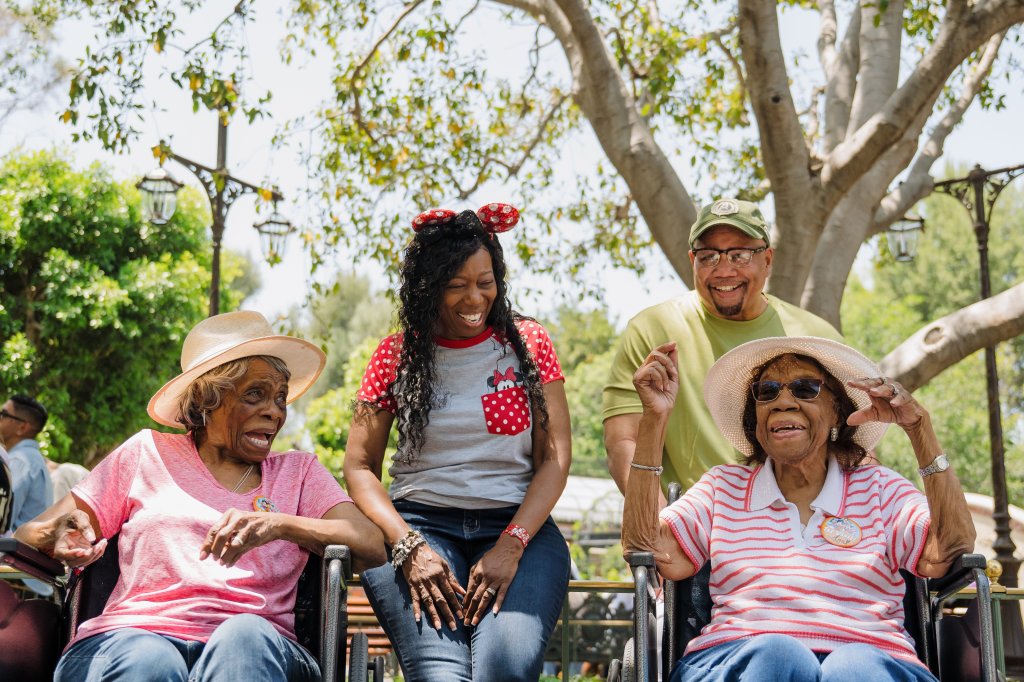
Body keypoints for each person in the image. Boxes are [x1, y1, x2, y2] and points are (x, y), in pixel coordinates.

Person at [14, 310, 386, 682]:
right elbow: (33, 532)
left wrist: (279, 525)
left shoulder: (298, 472)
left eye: (280, 399)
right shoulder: (145, 452)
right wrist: (59, 533)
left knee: (244, 638)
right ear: (207, 400)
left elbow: (371, 544)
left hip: (258, 650)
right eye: (256, 395)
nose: (274, 412)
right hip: (133, 634)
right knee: (149, 659)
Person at [621, 336, 976, 682]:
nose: (783, 401)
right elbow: (645, 547)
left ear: (837, 411)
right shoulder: (723, 487)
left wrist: (919, 429)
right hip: (737, 658)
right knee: (779, 655)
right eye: (767, 391)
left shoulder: (879, 488)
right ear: (755, 419)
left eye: (805, 389)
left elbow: (949, 550)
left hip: (873, 657)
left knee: (854, 668)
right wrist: (654, 420)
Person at [344, 204, 572, 682]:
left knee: (503, 671)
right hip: (422, 529)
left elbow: (554, 458)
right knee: (442, 678)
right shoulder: (396, 354)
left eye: (485, 281)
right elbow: (360, 467)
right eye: (457, 285)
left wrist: (511, 545)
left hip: (518, 527)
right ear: (429, 286)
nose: (475, 297)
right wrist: (408, 546)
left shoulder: (527, 343)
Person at [603, 198, 843, 498]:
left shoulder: (814, 336)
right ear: (693, 260)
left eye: (740, 255)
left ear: (767, 260)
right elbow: (623, 442)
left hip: (802, 526)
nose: (724, 269)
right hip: (690, 526)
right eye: (709, 256)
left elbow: (854, 447)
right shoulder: (654, 329)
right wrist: (660, 528)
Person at [1, 394, 53, 530]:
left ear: (22, 428)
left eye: (3, 414)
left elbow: (2, 519)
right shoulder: (31, 458)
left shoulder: (19, 461)